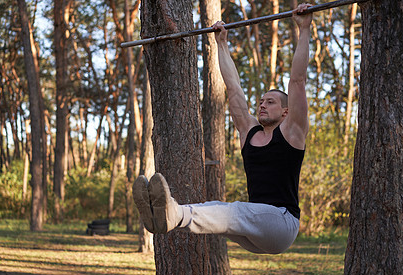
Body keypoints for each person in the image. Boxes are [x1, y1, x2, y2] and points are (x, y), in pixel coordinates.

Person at [133, 3, 313, 254]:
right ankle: (163, 217)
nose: (262, 105)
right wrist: (221, 44)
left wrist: (304, 29)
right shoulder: (249, 132)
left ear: (285, 111)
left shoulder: (293, 132)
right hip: (256, 231)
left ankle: (176, 213)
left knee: (234, 210)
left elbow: (298, 80)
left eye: (270, 102)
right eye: (261, 101)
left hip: (282, 224)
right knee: (220, 213)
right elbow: (234, 88)